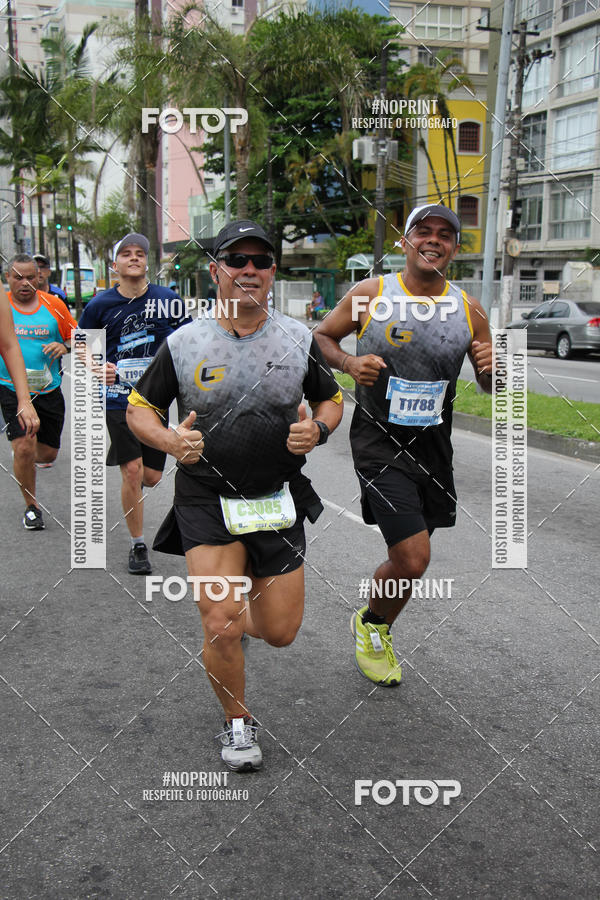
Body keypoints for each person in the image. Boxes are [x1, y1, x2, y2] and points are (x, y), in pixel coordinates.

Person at [126, 219, 343, 771]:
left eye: (260, 261)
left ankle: (239, 619)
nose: (249, 270)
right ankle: (237, 723)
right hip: (206, 498)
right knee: (219, 615)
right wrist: (171, 440)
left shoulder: (298, 339)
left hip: (276, 498)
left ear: (273, 272)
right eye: (236, 260)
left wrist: (318, 429)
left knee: (280, 632)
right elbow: (138, 411)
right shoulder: (184, 342)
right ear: (216, 270)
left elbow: (332, 400)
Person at [315, 204, 493, 686]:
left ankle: (372, 617)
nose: (433, 240)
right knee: (415, 558)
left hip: (434, 448)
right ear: (405, 241)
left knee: (405, 561)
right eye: (423, 231)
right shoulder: (371, 294)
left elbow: (492, 381)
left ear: (455, 248)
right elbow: (322, 339)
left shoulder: (469, 308)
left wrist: (493, 366)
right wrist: (350, 365)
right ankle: (375, 629)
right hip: (378, 442)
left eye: (444, 235)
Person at [78, 233, 187, 575]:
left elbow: (189, 339)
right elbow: (81, 343)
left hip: (154, 399)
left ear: (147, 263)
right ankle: (138, 544)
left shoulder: (168, 299)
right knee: (134, 469)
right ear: (115, 265)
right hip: (116, 399)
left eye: (140, 253)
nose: (134, 258)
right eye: (126, 254)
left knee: (152, 477)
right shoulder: (100, 305)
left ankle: (132, 489)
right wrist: (97, 366)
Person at [0, 254, 77, 529]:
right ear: (7, 278)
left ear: (40, 277)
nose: (24, 283)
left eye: (30, 277)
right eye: (17, 277)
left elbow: (81, 341)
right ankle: (31, 507)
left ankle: (25, 456)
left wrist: (65, 347)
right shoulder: (3, 306)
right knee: (23, 446)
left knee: (47, 454)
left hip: (48, 389)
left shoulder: (54, 305)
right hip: (9, 387)